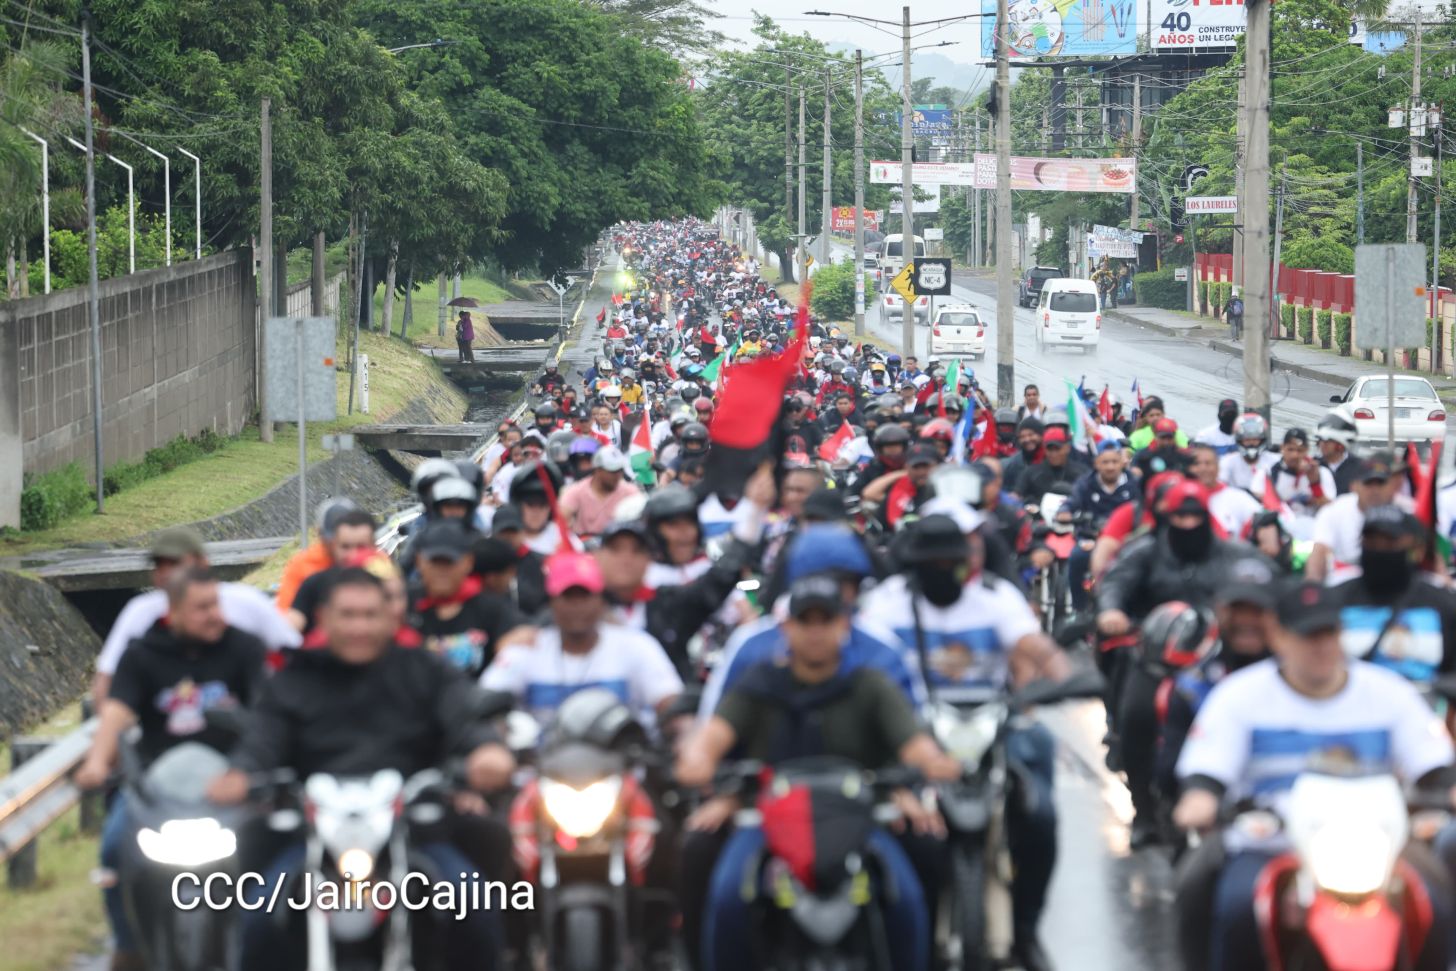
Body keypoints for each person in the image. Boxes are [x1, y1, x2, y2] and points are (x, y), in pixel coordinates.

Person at [208, 568, 517, 971]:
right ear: (324, 617)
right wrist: (240, 774)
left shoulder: (425, 669)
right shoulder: (294, 678)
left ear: (391, 616)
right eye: (348, 614)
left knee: (475, 908)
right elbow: (262, 740)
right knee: (258, 920)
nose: (359, 626)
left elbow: (464, 718)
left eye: (370, 614)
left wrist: (487, 752)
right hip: (312, 836)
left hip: (417, 829)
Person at [677, 574, 963, 971]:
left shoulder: (870, 686)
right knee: (727, 899)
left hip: (860, 821)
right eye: (804, 621)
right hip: (769, 821)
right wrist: (697, 763)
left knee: (908, 900)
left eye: (825, 620)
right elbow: (711, 738)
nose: (815, 632)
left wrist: (936, 763)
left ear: (843, 626)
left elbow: (915, 744)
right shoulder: (758, 685)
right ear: (786, 627)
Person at [1173, 581, 1455, 971]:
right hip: (1269, 842)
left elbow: (1433, 764)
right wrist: (1200, 798)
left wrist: (1444, 790)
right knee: (1230, 904)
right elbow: (1207, 768)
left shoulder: (1389, 692)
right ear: (1280, 636)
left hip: (1377, 847)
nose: (1321, 647)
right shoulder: (1239, 696)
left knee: (1434, 904)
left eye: (1329, 634)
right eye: (1308, 636)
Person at [857, 513, 1069, 970]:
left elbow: (1033, 644)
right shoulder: (887, 604)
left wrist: (1063, 676)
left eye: (950, 562)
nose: (941, 571)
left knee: (1040, 809)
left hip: (991, 723)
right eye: (930, 562)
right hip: (911, 730)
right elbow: (864, 660)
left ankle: (1026, 930)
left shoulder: (995, 597)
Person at [77, 567, 267, 971]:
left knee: (278, 853)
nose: (214, 614)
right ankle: (129, 946)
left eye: (216, 604)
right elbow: (116, 712)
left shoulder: (245, 648)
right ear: (174, 612)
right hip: (157, 791)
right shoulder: (142, 654)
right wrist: (96, 762)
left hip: (232, 787)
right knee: (113, 849)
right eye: (202, 608)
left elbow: (269, 713)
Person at [1097, 480, 1262, 847]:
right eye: (1180, 516)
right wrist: (1112, 611)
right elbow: (1114, 583)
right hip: (1156, 657)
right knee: (1135, 715)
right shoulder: (1144, 552)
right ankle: (1143, 811)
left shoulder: (1236, 554)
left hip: (1222, 657)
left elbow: (1269, 585)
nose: (1188, 524)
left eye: (1195, 516)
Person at [93, 527, 298, 707]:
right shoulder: (140, 612)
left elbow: (291, 651)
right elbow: (107, 677)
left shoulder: (246, 602)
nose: (165, 572)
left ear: (203, 563)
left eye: (174, 563)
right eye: (159, 565)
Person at [480, 551, 683, 728]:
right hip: (541, 765)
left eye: (585, 596)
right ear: (551, 602)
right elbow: (486, 700)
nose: (577, 606)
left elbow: (670, 701)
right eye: (568, 597)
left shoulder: (636, 645)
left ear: (601, 600)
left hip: (622, 763)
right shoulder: (525, 648)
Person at [1330, 505, 1456, 686]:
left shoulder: (1443, 603)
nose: (1379, 549)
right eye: (1371, 542)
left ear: (1416, 549)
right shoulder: (1335, 600)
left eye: (1389, 542)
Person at [407, 520, 531, 679]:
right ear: (419, 562)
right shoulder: (402, 606)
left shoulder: (491, 610)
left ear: (468, 563)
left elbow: (524, 632)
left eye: (450, 562)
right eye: (435, 562)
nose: (442, 571)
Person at [1306, 450, 1405, 584]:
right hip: (1344, 582)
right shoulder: (1334, 511)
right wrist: (1312, 590)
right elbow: (1319, 553)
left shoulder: (1405, 511)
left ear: (1389, 487)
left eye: (1380, 484)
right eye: (1368, 484)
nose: (1375, 490)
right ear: (1354, 487)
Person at [1064, 442, 1138, 611]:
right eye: (1105, 462)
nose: (1110, 467)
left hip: (1125, 542)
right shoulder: (1085, 484)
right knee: (1076, 558)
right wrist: (1065, 512)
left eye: (1114, 461)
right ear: (1096, 463)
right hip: (1091, 538)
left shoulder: (1134, 485)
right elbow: (1072, 503)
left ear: (1122, 462)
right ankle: (1078, 609)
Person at [287, 508, 383, 632]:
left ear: (374, 546)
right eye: (345, 547)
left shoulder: (389, 582)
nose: (353, 555)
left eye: (361, 547)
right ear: (333, 547)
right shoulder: (313, 585)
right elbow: (292, 624)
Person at [276, 499, 376, 612]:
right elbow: (286, 614)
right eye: (344, 545)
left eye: (359, 545)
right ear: (319, 534)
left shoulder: (376, 562)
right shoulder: (302, 566)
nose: (351, 554)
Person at [1249, 428, 1336, 520]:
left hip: (1310, 527)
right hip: (1279, 525)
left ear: (1307, 450)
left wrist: (1315, 484)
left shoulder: (1322, 473)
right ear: (1282, 448)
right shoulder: (1267, 473)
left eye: (1300, 450)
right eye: (1290, 449)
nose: (1295, 455)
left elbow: (1331, 510)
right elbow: (1256, 503)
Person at [557, 445, 642, 539]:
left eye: (620, 470)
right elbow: (561, 520)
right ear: (598, 470)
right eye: (612, 471)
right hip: (584, 546)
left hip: (617, 545)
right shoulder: (576, 491)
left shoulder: (630, 492)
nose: (617, 475)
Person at [1188, 443, 1262, 541]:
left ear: (1218, 467)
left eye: (1208, 463)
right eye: (1196, 463)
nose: (1203, 468)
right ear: (1188, 468)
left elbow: (1263, 520)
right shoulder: (1179, 498)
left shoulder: (1238, 498)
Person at [1017, 426, 1082, 506]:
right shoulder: (1031, 473)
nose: (1053, 454)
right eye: (1049, 449)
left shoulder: (1081, 473)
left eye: (1057, 448)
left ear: (1067, 448)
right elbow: (1017, 496)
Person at [1217, 412, 1276, 490]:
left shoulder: (1274, 461)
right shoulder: (1227, 462)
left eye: (1255, 439)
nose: (1251, 443)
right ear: (1239, 440)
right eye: (1247, 440)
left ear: (1262, 440)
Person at [1316, 409, 1362, 495]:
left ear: (1341, 444)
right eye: (1321, 439)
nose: (1323, 444)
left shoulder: (1359, 468)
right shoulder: (1314, 465)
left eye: (1328, 440)